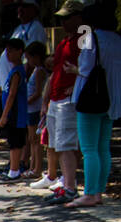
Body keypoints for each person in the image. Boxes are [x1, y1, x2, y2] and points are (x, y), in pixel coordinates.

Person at [66, 4, 121, 208]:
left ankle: (90, 192)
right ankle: (99, 190)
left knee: (89, 148)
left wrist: (73, 69)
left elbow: (85, 68)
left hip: (91, 99)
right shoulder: (118, 39)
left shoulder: (92, 38)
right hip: (112, 98)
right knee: (103, 148)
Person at [42, 0, 86, 205]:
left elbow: (88, 68)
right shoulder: (64, 41)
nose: (64, 22)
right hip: (56, 97)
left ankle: (70, 187)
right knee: (58, 143)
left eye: (68, 17)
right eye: (62, 18)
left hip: (68, 100)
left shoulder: (83, 39)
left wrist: (76, 83)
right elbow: (55, 71)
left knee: (66, 143)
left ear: (79, 17)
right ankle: (66, 181)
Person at [0, 0, 48, 90]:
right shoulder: (18, 28)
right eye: (19, 6)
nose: (20, 9)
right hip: (7, 83)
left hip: (18, 85)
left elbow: (33, 59)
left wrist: (20, 84)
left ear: (34, 9)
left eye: (24, 6)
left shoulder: (36, 28)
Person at [0, 37, 29, 178]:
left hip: (16, 113)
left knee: (15, 142)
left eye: (11, 51)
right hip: (13, 112)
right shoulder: (14, 70)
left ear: (19, 51)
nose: (8, 54)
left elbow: (12, 95)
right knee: (13, 141)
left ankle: (14, 170)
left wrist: (4, 115)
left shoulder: (17, 72)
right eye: (7, 51)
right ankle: (13, 168)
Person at [24, 41, 49, 181]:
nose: (28, 61)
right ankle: (32, 167)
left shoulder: (40, 71)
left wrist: (26, 102)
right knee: (32, 139)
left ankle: (37, 168)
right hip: (30, 109)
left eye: (29, 58)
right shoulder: (35, 70)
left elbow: (38, 92)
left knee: (35, 140)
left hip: (34, 108)